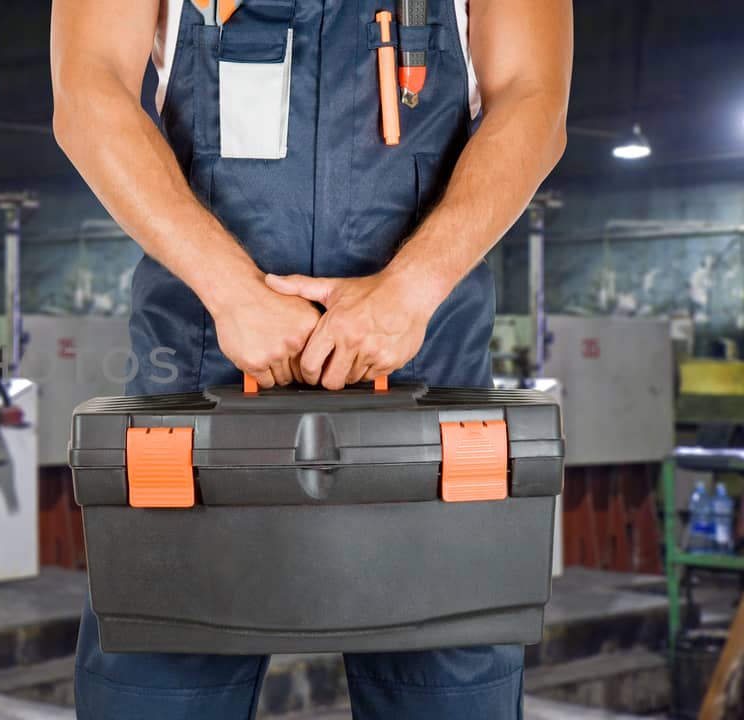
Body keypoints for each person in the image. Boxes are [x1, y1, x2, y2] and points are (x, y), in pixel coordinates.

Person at [50, 0, 570, 716]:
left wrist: (408, 292)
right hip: (199, 372)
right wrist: (230, 293)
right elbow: (88, 89)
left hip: (427, 370)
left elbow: (533, 98)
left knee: (447, 684)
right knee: (157, 679)